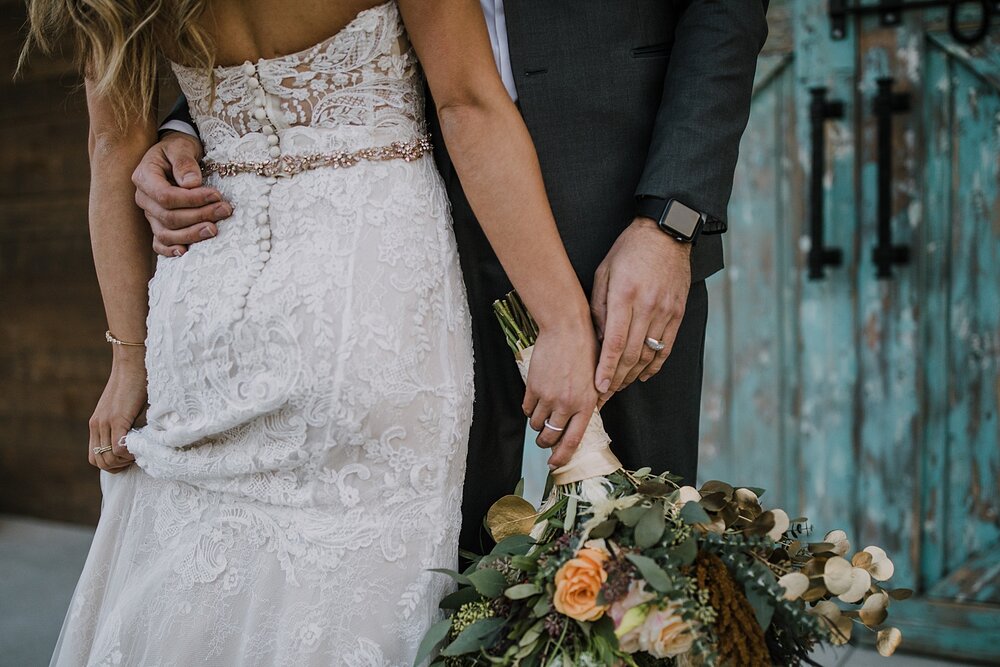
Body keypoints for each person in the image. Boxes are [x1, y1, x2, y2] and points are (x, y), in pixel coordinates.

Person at [24, 1, 603, 663]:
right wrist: (559, 319)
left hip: (205, 293)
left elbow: (111, 148)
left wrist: (128, 359)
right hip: (369, 302)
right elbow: (469, 104)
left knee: (190, 576)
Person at [137, 0, 770, 555]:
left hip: (622, 215)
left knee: (645, 553)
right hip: (413, 236)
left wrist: (670, 220)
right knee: (437, 554)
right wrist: (194, 120)